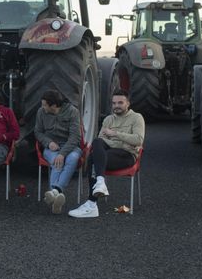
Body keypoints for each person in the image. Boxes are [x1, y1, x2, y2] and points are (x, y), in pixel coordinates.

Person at [68, 89, 145, 218]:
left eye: (120, 103)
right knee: (97, 143)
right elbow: (100, 141)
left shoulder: (137, 118)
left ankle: (92, 204)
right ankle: (100, 183)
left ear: (128, 103)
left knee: (94, 158)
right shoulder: (108, 119)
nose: (116, 106)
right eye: (114, 103)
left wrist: (115, 134)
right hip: (109, 154)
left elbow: (138, 140)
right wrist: (123, 142)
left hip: (126, 156)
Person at [34, 89, 82, 214]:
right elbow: (38, 132)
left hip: (70, 147)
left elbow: (75, 137)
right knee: (57, 161)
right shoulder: (41, 112)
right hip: (51, 147)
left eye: (44, 104)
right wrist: (48, 142)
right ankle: (57, 194)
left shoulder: (73, 112)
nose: (42, 107)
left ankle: (54, 192)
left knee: (72, 158)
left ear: (54, 105)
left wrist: (62, 153)